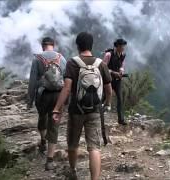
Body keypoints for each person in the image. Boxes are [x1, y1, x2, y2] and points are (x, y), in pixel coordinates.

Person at [52, 32, 112, 180]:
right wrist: (107, 103)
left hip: (76, 110)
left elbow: (66, 88)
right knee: (94, 147)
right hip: (95, 111)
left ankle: (73, 171)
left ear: (77, 46)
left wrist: (57, 108)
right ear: (92, 45)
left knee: (72, 143)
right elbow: (109, 89)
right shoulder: (101, 64)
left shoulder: (73, 63)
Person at [27, 37, 67, 170]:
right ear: (53, 45)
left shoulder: (37, 59)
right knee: (54, 125)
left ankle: (43, 140)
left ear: (42, 46)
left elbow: (32, 81)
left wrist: (30, 101)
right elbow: (67, 81)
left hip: (42, 96)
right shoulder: (62, 59)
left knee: (42, 117)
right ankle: (49, 161)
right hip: (58, 96)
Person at [103, 38, 128, 125]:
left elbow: (122, 65)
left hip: (117, 80)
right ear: (117, 46)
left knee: (120, 99)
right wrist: (114, 73)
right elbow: (104, 68)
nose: (123, 48)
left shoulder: (122, 55)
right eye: (121, 46)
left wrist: (121, 71)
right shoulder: (108, 55)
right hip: (108, 80)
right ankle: (96, 114)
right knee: (103, 98)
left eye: (124, 46)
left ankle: (121, 119)